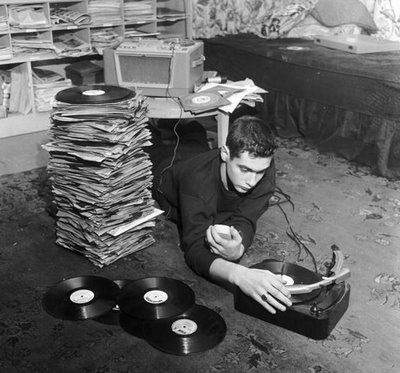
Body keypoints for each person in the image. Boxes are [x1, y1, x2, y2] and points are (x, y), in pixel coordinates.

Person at [147, 115, 292, 314]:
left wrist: (239, 247)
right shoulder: (196, 182)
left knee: (194, 138)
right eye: (244, 169)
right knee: (147, 145)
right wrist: (239, 275)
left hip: (199, 154)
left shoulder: (262, 168)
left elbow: (246, 218)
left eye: (259, 172)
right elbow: (194, 250)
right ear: (225, 153)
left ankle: (184, 124)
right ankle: (151, 125)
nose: (252, 180)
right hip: (166, 168)